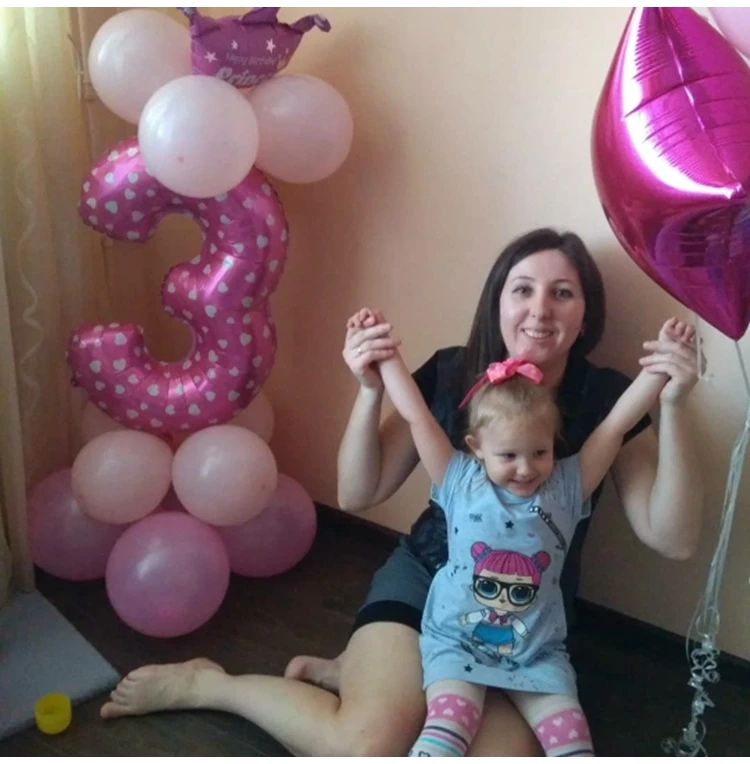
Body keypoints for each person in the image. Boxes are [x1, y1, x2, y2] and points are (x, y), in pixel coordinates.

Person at [100, 228, 703, 757]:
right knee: (364, 747)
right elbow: (358, 492)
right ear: (497, 301)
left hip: (524, 620)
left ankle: (358, 673)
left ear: (586, 314)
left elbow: (672, 539)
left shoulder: (606, 398)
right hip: (426, 584)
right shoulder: (451, 372)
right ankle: (213, 685)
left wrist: (673, 404)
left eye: (562, 292)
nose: (539, 309)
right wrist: (368, 391)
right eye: (522, 289)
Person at [370, 308, 693, 757]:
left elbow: (616, 425)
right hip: (457, 642)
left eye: (539, 452)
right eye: (509, 456)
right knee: (448, 732)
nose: (525, 468)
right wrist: (386, 358)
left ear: (553, 444)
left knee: (574, 743)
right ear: (476, 448)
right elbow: (418, 417)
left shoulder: (566, 486)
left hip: (538, 652)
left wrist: (662, 368)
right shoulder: (459, 479)